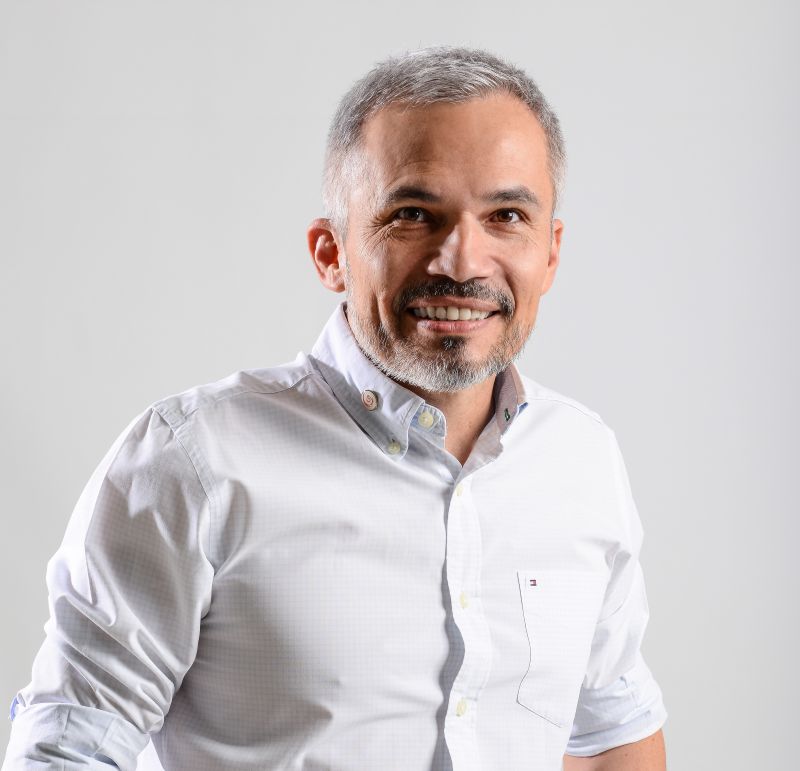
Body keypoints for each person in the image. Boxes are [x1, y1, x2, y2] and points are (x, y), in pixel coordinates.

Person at [3, 46, 667, 770]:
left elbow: (612, 733)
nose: (462, 261)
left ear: (551, 252)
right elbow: (66, 751)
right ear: (331, 252)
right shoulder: (192, 462)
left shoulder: (581, 459)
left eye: (506, 215)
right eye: (413, 215)